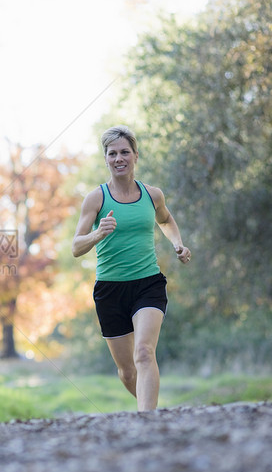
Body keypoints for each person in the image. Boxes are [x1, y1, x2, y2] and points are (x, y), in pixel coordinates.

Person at [72, 125, 191, 412]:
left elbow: (165, 219)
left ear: (136, 155)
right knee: (127, 372)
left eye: (125, 152)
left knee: (144, 352)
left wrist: (178, 243)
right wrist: (97, 234)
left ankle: (147, 422)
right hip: (110, 290)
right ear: (106, 159)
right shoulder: (96, 199)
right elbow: (76, 247)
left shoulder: (153, 195)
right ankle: (147, 406)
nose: (119, 158)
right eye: (112, 153)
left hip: (147, 284)